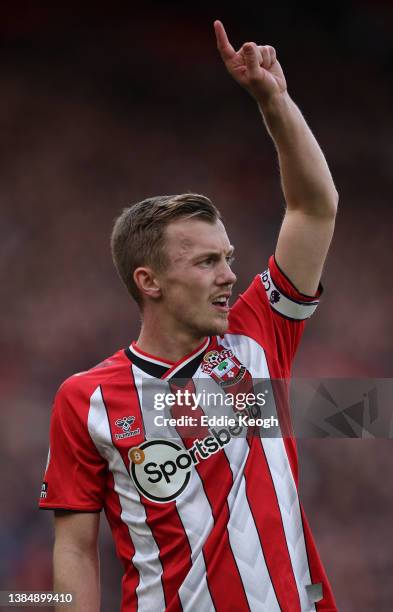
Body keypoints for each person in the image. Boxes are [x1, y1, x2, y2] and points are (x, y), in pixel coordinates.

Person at [39, 20, 338, 612]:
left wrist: (274, 102)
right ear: (149, 282)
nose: (230, 273)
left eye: (227, 257)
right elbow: (75, 550)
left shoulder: (257, 336)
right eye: (206, 261)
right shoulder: (86, 400)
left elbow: (314, 207)